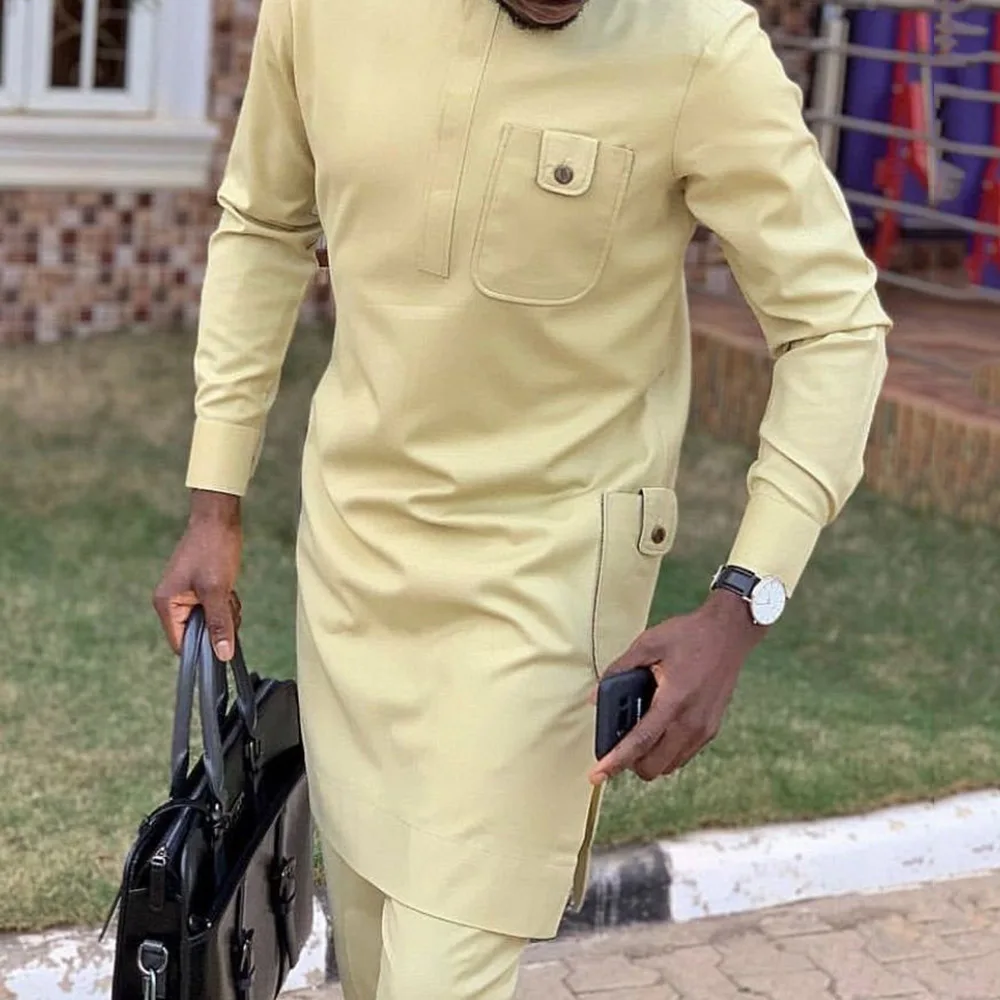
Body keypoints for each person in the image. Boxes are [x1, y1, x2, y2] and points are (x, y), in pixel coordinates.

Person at [153, 0, 891, 996]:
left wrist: (743, 603)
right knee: (370, 960)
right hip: (351, 565)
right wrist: (215, 502)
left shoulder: (698, 42)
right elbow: (264, 225)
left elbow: (835, 328)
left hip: (544, 596)